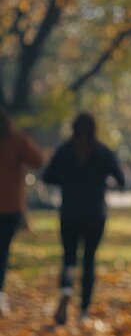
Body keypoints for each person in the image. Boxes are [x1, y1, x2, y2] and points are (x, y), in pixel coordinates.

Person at [42, 113, 125, 324]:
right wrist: (101, 183)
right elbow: (121, 180)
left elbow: (47, 176)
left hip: (69, 212)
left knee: (69, 258)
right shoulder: (103, 152)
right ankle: (84, 311)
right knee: (89, 261)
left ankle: (66, 288)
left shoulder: (64, 151)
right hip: (94, 214)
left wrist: (67, 182)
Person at [0, 109, 44, 316]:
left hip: (10, 207)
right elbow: (38, 160)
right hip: (10, 206)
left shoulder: (18, 142)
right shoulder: (17, 141)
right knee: (2, 251)